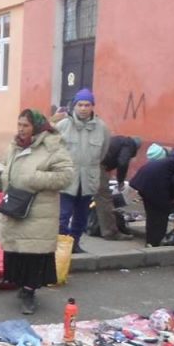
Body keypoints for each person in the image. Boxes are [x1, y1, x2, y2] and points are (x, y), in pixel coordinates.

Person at [0, 109, 73, 314]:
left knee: (34, 255)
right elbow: (4, 165)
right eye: (19, 124)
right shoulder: (15, 145)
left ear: (37, 127)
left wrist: (34, 178)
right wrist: (2, 174)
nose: (21, 129)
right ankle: (23, 287)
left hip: (39, 211)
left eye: (26, 126)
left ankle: (30, 292)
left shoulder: (52, 146)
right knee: (18, 253)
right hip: (15, 206)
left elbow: (66, 176)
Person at [55, 88, 110, 253]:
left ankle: (74, 244)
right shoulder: (62, 126)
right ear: (74, 106)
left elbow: (103, 152)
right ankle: (60, 246)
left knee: (81, 217)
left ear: (93, 107)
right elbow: (54, 151)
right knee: (62, 216)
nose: (84, 108)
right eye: (80, 105)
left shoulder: (102, 128)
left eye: (87, 105)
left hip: (88, 180)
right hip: (67, 179)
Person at [95, 136, 141, 240]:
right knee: (105, 199)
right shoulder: (129, 145)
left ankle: (85, 227)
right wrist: (120, 181)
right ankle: (110, 232)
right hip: (98, 166)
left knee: (84, 196)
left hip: (89, 164)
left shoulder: (118, 140)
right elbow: (123, 162)